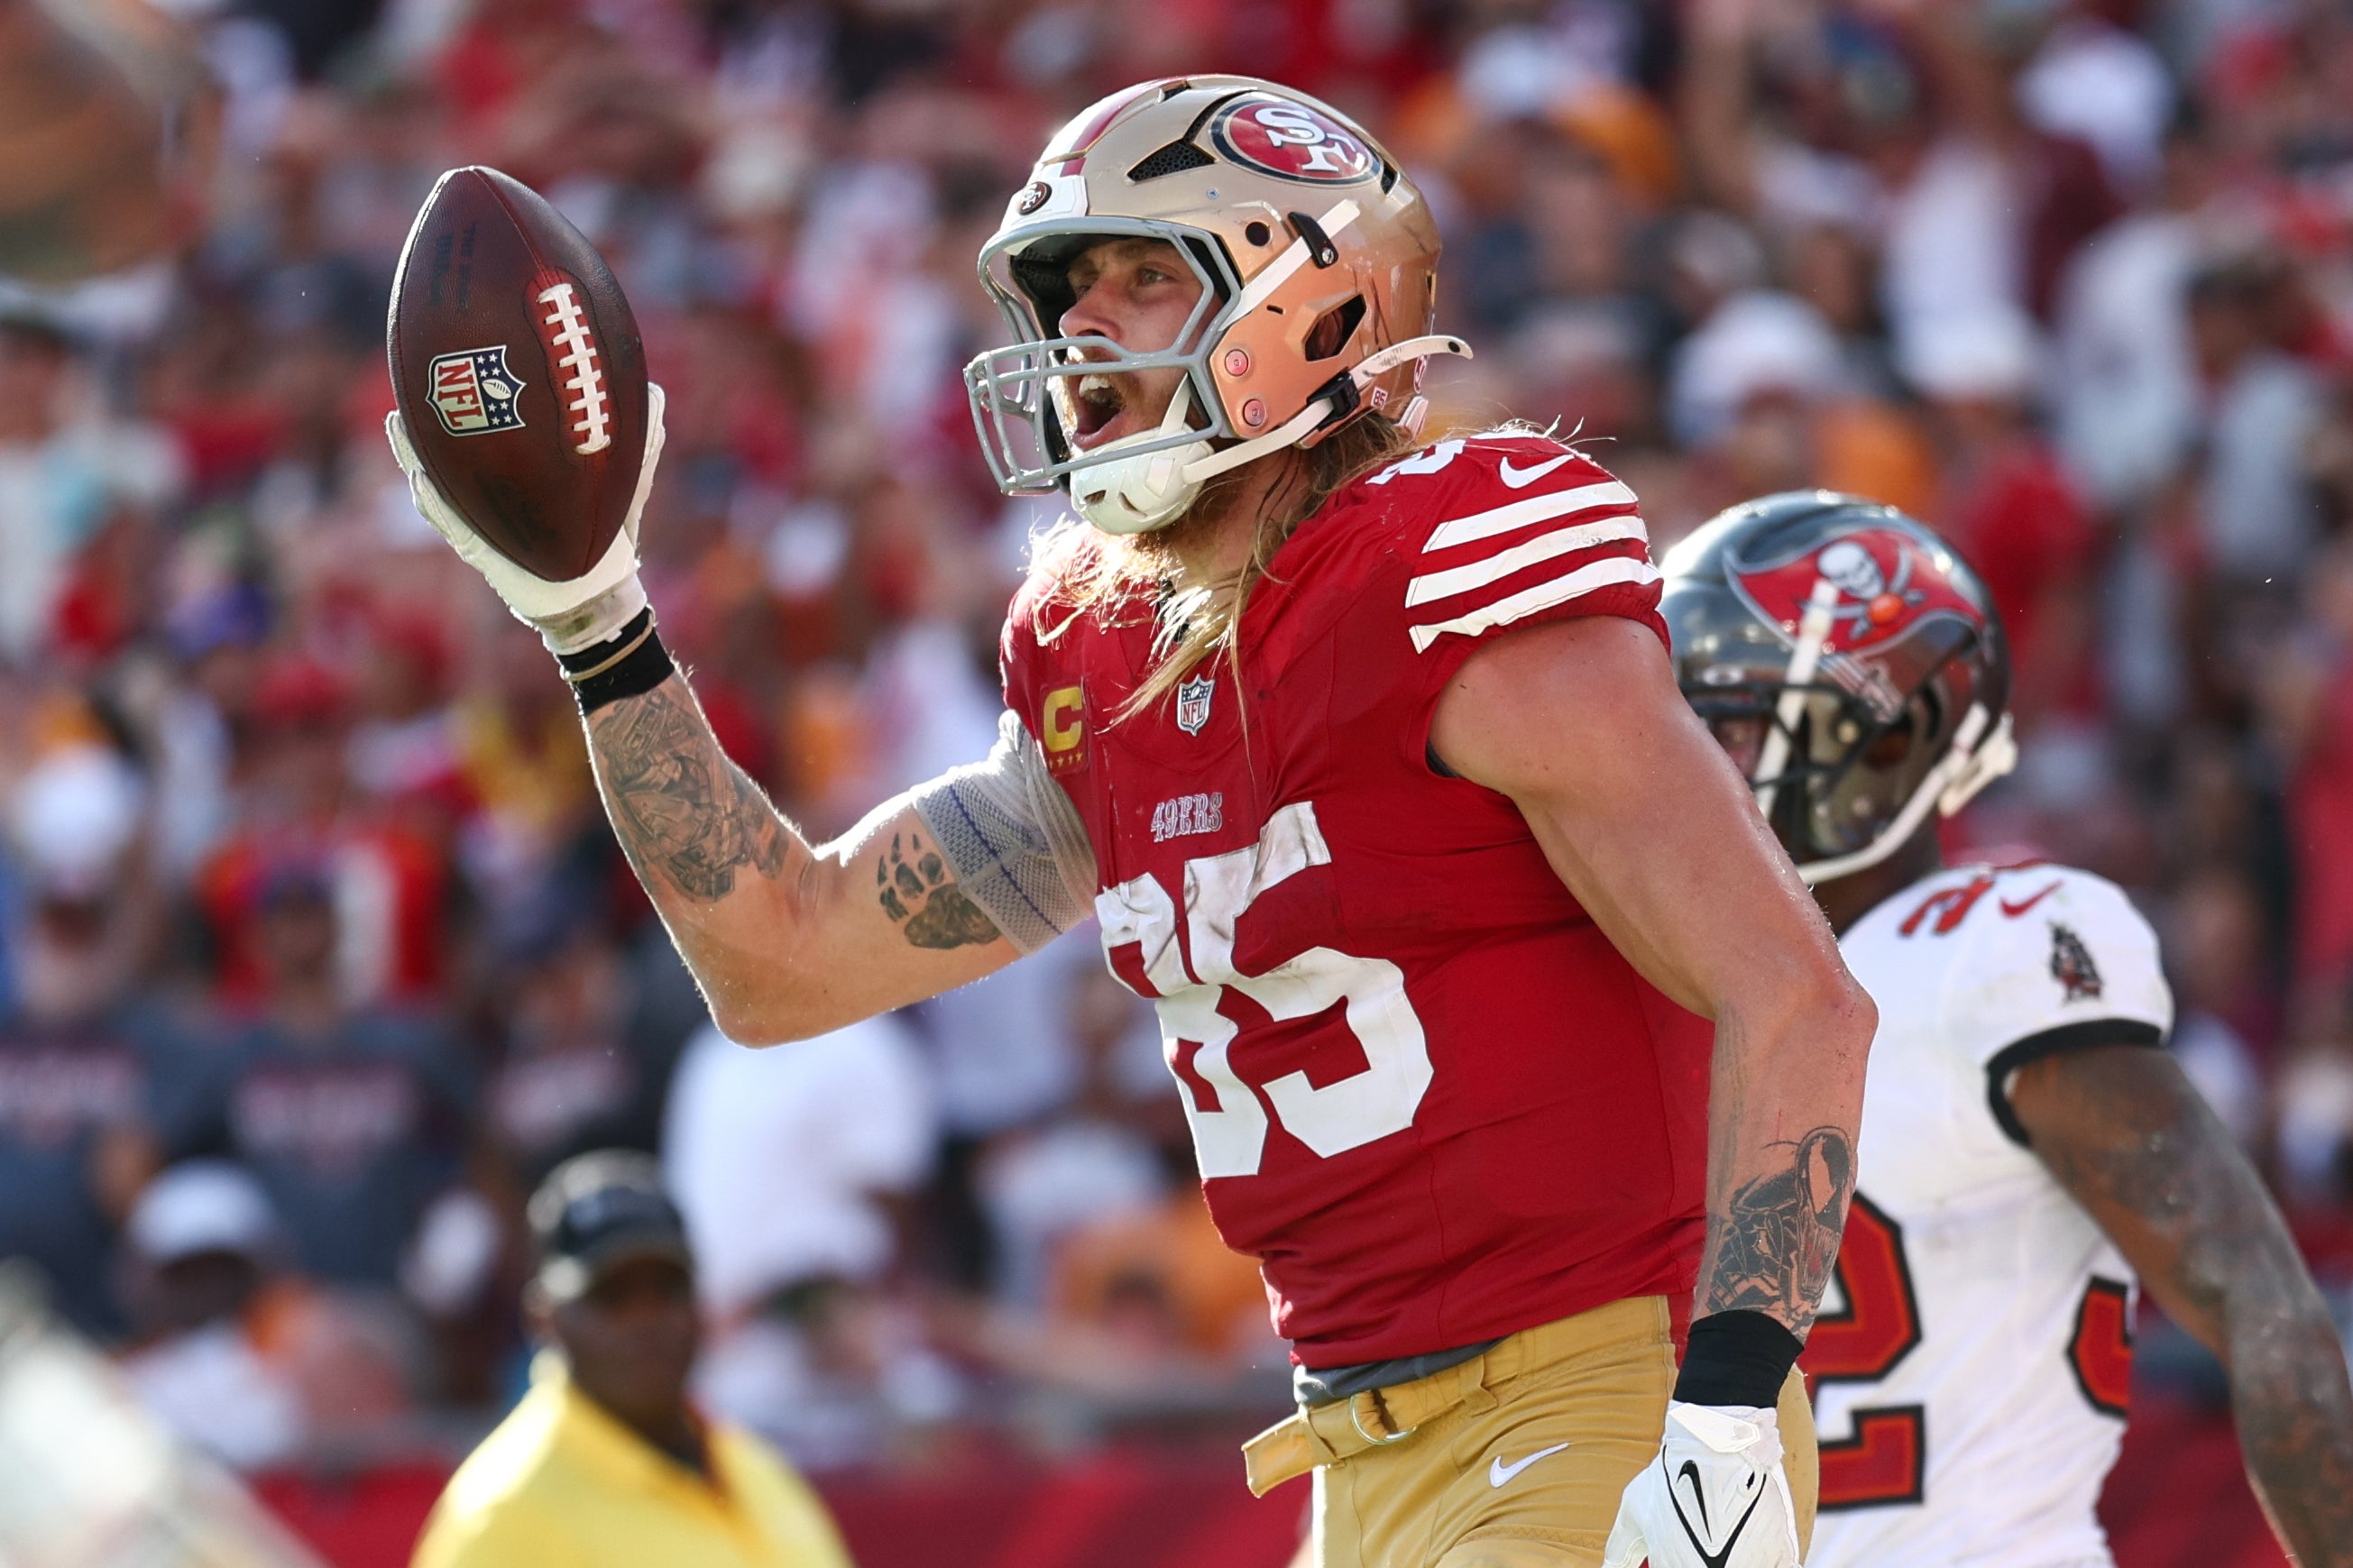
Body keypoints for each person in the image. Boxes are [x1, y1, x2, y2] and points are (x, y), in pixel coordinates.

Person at [390, 76, 1878, 1568]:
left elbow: (1790, 988)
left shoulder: (1440, 581)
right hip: (1353, 1448)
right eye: (1066, 291)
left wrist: (1729, 1406)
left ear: (1316, 305)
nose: (1081, 331)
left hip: (1598, 1387)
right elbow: (780, 960)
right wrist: (596, 624)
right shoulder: (1102, 655)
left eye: (1140, 274)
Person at [1659, 491, 2353, 1568]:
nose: (1687, 766)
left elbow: (2264, 1307)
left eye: (1730, 721)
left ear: (1881, 734)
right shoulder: (1678, 988)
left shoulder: (1984, 953)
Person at [409, 1151, 851, 1568]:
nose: (646, 1321)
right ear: (544, 1318)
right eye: (611, 1296)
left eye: (667, 1288)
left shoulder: (757, 1468)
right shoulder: (501, 1516)